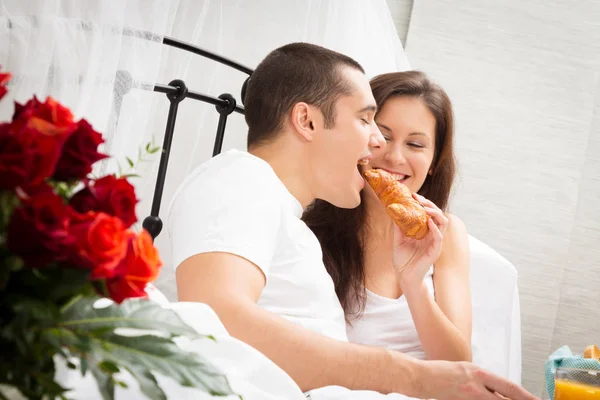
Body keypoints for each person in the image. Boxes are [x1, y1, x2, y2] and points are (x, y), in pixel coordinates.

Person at [168, 42, 538, 400]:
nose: (377, 143)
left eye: (414, 143)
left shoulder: (286, 219)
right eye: (366, 119)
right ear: (307, 121)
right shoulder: (239, 180)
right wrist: (412, 375)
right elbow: (214, 317)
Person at [302, 71, 472, 363]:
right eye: (382, 136)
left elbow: (457, 366)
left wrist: (413, 282)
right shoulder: (309, 233)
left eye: (415, 145)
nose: (394, 157)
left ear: (433, 163)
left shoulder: (447, 232)